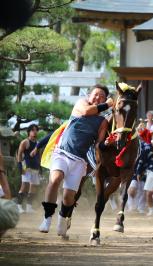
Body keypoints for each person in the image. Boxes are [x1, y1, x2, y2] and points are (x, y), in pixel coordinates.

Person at [38, 84, 113, 237]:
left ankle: (62, 218)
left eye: (102, 96)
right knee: (55, 179)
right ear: (89, 95)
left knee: (68, 196)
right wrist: (108, 104)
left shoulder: (102, 121)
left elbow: (98, 143)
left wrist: (107, 142)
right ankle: (47, 218)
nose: (98, 98)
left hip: (80, 161)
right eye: (95, 94)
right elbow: (86, 111)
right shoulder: (81, 104)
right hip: (62, 153)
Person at [16, 124, 41, 213]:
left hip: (35, 167)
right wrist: (19, 165)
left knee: (33, 186)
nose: (34, 132)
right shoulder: (25, 142)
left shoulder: (38, 143)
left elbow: (39, 155)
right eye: (32, 130)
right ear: (29, 132)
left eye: (36, 130)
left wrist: (40, 167)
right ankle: (18, 206)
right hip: (26, 167)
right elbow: (19, 154)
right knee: (25, 186)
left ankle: (29, 207)